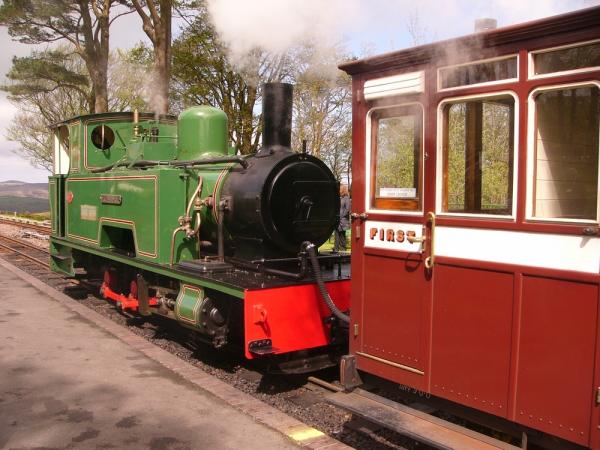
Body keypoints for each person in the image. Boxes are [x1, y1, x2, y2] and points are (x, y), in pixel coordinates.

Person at [334, 184, 351, 252]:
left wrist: (341, 216)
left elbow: (347, 209)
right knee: (336, 234)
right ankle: (336, 248)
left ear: (342, 190)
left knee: (342, 235)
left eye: (340, 189)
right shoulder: (339, 198)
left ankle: (343, 248)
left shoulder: (346, 198)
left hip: (343, 220)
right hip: (337, 219)